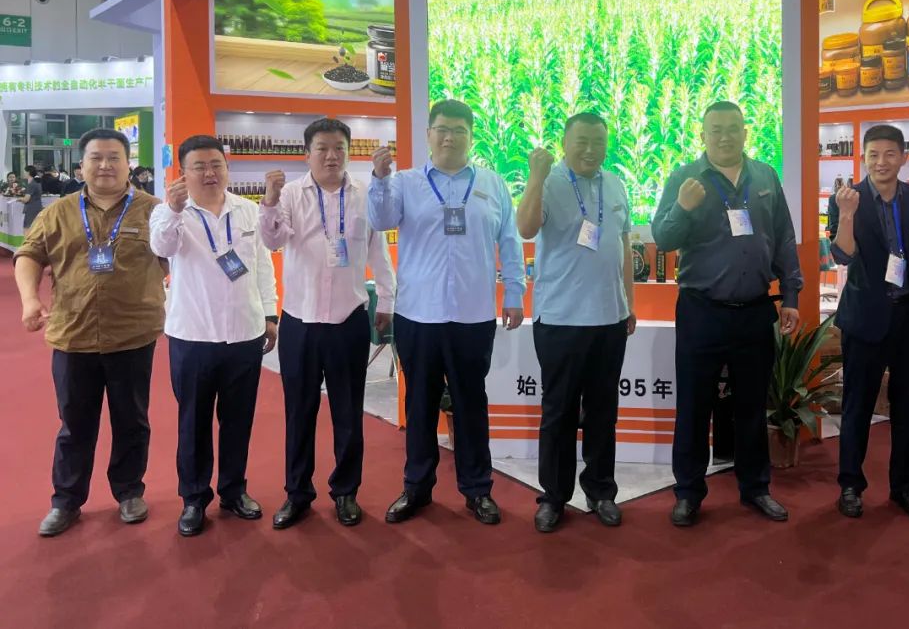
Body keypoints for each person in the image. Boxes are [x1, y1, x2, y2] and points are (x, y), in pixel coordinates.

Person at [368, 99, 526, 526]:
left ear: (471, 137)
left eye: (458, 130)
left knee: (471, 403)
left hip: (473, 315)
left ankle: (477, 490)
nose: (449, 137)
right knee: (419, 404)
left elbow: (509, 241)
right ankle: (416, 488)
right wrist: (379, 180)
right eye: (442, 129)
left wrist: (514, 291)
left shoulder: (492, 184)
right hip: (419, 314)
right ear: (428, 135)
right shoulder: (405, 182)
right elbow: (380, 220)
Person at [652, 100, 802, 526]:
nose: (724, 137)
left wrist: (791, 295)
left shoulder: (765, 176)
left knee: (752, 406)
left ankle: (756, 488)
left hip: (755, 310)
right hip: (702, 311)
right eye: (715, 130)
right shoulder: (685, 177)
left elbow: (784, 238)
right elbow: (663, 238)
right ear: (703, 135)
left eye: (732, 128)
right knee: (694, 405)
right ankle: (688, 493)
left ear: (745, 132)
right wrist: (682, 207)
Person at [14, 128, 166, 537]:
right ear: (81, 166)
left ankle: (129, 492)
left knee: (132, 421)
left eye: (114, 157)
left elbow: (179, 260)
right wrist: (29, 299)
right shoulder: (58, 212)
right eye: (96, 157)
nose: (105, 165)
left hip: (132, 334)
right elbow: (29, 255)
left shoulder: (154, 211)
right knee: (74, 424)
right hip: (73, 334)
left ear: (128, 164)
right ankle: (66, 500)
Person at [259, 118, 396, 530]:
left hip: (348, 321)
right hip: (300, 321)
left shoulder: (364, 194)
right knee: (298, 413)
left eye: (339, 148)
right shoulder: (290, 194)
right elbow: (272, 241)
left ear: (349, 153)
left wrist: (387, 299)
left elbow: (378, 249)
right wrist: (269, 202)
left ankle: (346, 492)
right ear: (307, 154)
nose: (331, 156)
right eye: (322, 148)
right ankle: (297, 493)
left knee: (348, 413)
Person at [150, 135, 278, 537]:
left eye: (216, 165)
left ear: (226, 167)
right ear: (183, 173)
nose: (209, 173)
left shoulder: (248, 210)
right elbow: (161, 246)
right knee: (193, 422)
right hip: (193, 336)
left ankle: (234, 490)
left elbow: (262, 266)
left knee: (238, 419)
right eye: (199, 166)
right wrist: (173, 210)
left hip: (244, 333)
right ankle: (193, 498)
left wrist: (270, 314)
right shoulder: (168, 212)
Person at [517, 112, 635, 533]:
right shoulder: (549, 182)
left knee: (604, 411)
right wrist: (535, 177)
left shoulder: (616, 184)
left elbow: (623, 244)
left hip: (609, 318)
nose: (590, 149)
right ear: (565, 142)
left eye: (598, 142)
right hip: (561, 319)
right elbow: (525, 228)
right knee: (559, 412)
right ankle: (553, 496)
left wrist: (629, 302)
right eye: (581, 141)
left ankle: (601, 491)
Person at [830, 125, 909, 520]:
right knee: (856, 406)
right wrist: (847, 215)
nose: (881, 162)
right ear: (863, 158)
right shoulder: (846, 199)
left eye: (890, 154)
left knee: (905, 409)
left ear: (904, 157)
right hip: (865, 319)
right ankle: (850, 485)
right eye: (873, 155)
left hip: (907, 317)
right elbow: (842, 256)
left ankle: (904, 487)